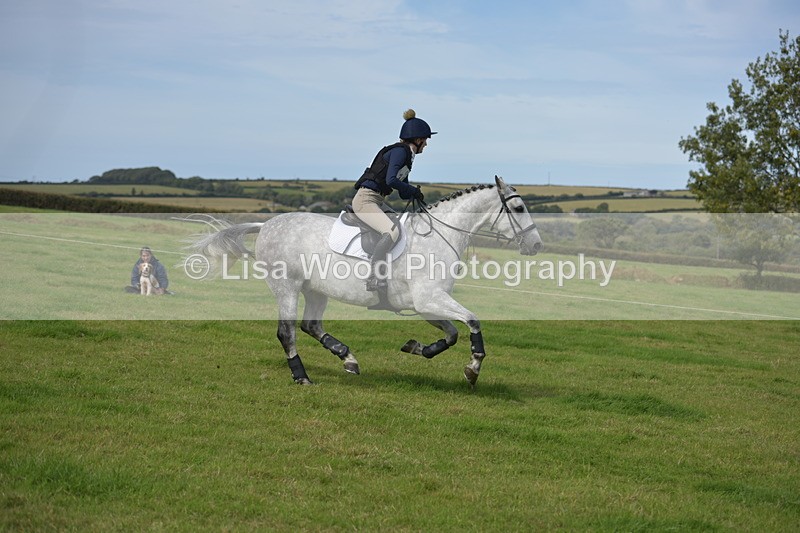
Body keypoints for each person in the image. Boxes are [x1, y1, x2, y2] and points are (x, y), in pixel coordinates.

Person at [353, 109, 434, 292]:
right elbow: (391, 181)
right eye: (426, 140)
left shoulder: (407, 156)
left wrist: (413, 193)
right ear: (418, 139)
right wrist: (411, 189)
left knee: (401, 229)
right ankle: (374, 276)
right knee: (391, 233)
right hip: (366, 200)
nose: (426, 144)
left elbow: (401, 188)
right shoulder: (400, 152)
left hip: (377, 200)